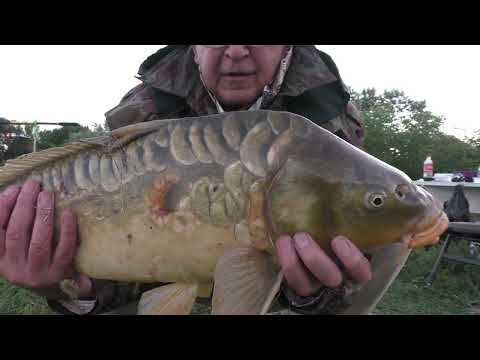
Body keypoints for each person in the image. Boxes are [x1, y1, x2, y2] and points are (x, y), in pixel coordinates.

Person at [0, 45, 372, 315]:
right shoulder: (145, 107)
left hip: (270, 263)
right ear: (193, 50)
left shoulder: (328, 116)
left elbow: (352, 259)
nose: (237, 51)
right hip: (156, 254)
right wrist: (72, 289)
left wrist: (310, 295)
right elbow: (130, 241)